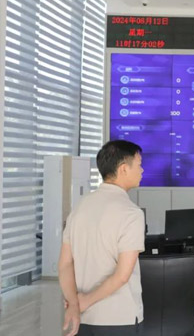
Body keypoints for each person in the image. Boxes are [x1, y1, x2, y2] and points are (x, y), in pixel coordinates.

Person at [58, 140, 145, 336]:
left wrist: (74, 304)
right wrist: (85, 301)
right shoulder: (131, 213)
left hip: (84, 318)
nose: (142, 170)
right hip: (120, 319)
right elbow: (122, 275)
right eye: (139, 165)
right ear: (124, 169)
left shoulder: (80, 207)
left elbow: (65, 264)